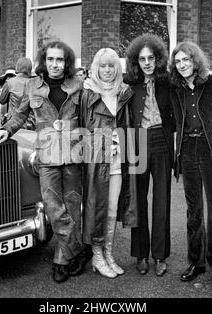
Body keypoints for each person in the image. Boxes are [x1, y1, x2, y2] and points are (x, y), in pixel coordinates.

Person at [0, 41, 90, 283]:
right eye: (50, 59)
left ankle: (61, 259)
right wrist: (7, 130)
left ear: (66, 62)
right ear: (43, 62)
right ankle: (79, 249)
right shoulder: (32, 86)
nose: (55, 64)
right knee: (53, 208)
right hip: (46, 155)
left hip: (73, 154)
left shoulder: (79, 85)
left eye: (60, 60)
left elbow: (89, 117)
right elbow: (20, 114)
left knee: (71, 206)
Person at [168, 41, 212, 286]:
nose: (182, 64)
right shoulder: (175, 88)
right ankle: (196, 262)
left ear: (196, 60)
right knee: (193, 210)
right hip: (188, 151)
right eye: (178, 61)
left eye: (186, 59)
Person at [80, 48, 137, 278]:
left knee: (113, 208)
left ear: (117, 68)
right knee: (96, 208)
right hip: (96, 161)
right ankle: (96, 256)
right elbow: (82, 128)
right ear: (96, 67)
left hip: (118, 160)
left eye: (111, 66)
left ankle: (109, 253)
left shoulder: (124, 92)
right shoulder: (87, 93)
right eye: (102, 65)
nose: (106, 70)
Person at [125, 34, 175, 277]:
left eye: (151, 58)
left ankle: (160, 255)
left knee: (161, 200)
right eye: (142, 59)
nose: (146, 62)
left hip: (162, 142)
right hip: (138, 143)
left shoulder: (168, 83)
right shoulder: (129, 85)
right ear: (136, 61)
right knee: (139, 200)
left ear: (158, 59)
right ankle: (141, 254)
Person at [0, 57, 35, 129]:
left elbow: (2, 100)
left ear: (17, 67)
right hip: (30, 125)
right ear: (30, 69)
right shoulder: (35, 84)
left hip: (12, 124)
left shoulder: (10, 83)